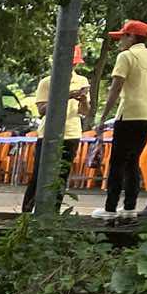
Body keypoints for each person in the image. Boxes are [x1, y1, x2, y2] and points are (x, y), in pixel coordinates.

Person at [100, 19, 147, 223]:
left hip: (129, 114)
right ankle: (129, 208)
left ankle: (110, 208)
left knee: (117, 161)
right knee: (133, 161)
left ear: (131, 37)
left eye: (122, 37)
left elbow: (116, 88)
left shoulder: (125, 56)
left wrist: (103, 116)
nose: (119, 42)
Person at [24, 50, 91, 214]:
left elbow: (85, 111)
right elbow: (42, 110)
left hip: (71, 133)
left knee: (62, 175)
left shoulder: (81, 81)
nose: (71, 66)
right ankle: (27, 211)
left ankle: (54, 212)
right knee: (40, 174)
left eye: (74, 63)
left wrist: (83, 100)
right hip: (48, 133)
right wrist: (66, 96)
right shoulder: (47, 82)